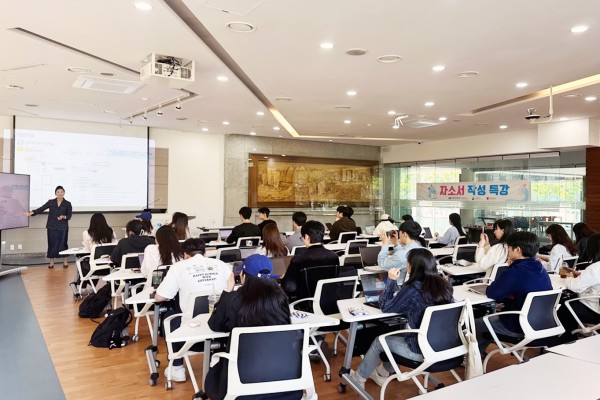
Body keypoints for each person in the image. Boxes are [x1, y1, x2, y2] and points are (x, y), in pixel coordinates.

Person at [349, 248, 453, 388]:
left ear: (413, 266)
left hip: (423, 350)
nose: (406, 264)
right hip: (447, 345)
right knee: (400, 335)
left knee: (379, 341)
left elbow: (385, 307)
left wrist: (391, 281)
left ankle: (358, 378)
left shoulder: (412, 289)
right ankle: (381, 373)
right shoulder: (445, 286)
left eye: (408, 262)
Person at [205, 255, 294, 400]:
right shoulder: (281, 298)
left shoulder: (232, 299)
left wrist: (227, 292)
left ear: (243, 276)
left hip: (241, 380)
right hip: (282, 377)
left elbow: (215, 325)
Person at [155, 238, 232, 382]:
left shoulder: (178, 267)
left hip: (191, 331)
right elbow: (230, 290)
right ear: (205, 252)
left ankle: (177, 368)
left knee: (169, 316)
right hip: (220, 328)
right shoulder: (221, 265)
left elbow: (160, 297)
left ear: (185, 255)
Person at [475, 231, 552, 355]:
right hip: (542, 324)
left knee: (477, 324)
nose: (508, 251)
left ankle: (476, 358)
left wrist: (509, 269)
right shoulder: (540, 268)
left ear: (518, 250)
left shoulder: (517, 270)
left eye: (509, 248)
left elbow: (492, 292)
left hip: (517, 326)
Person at [556, 234, 600, 344]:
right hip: (597, 307)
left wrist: (569, 277)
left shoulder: (595, 269)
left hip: (594, 311)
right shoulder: (595, 269)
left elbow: (575, 287)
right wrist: (582, 274)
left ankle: (567, 340)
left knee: (563, 308)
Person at [281, 220, 339, 301]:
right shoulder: (334, 256)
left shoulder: (298, 259)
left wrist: (285, 278)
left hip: (305, 304)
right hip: (330, 302)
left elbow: (289, 287)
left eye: (302, 238)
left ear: (307, 237)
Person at [26, 185, 72, 268]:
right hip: (51, 226)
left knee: (63, 243)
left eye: (62, 192)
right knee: (51, 244)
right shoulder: (51, 202)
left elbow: (69, 216)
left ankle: (65, 261)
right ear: (55, 193)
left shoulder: (68, 203)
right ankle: (51, 262)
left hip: (63, 227)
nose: (60, 193)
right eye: (58, 192)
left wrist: (64, 216)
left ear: (64, 193)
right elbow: (42, 209)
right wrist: (33, 212)